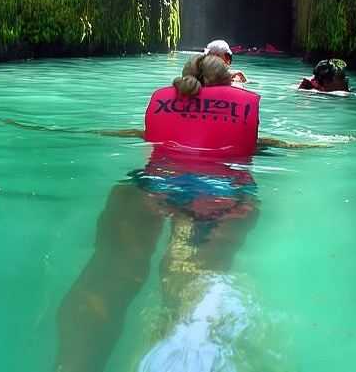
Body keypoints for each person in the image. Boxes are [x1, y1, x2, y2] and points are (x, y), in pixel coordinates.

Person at [54, 54, 267, 372]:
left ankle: (73, 363)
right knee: (196, 283)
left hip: (152, 189)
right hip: (224, 198)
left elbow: (143, 139)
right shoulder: (241, 112)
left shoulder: (162, 109)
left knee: (109, 273)